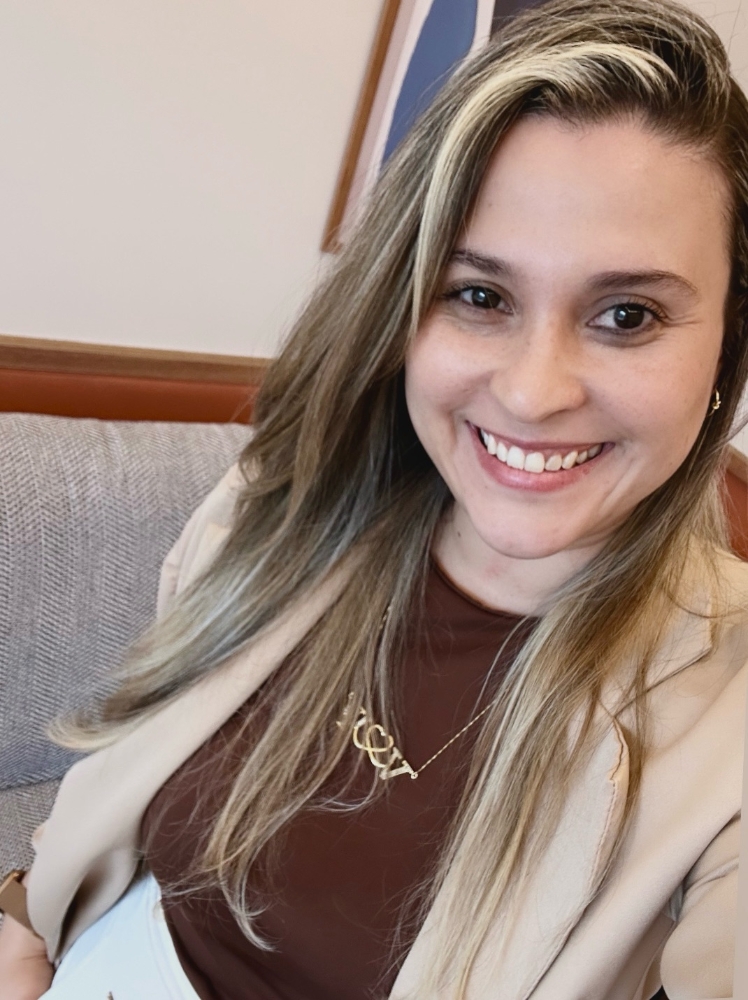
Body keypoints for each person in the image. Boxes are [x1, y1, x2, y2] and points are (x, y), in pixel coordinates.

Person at [1, 0, 747, 996]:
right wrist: (22, 918)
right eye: (479, 295)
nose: (533, 393)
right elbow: (122, 777)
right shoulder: (271, 508)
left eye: (627, 314)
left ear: (725, 349)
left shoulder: (729, 712)